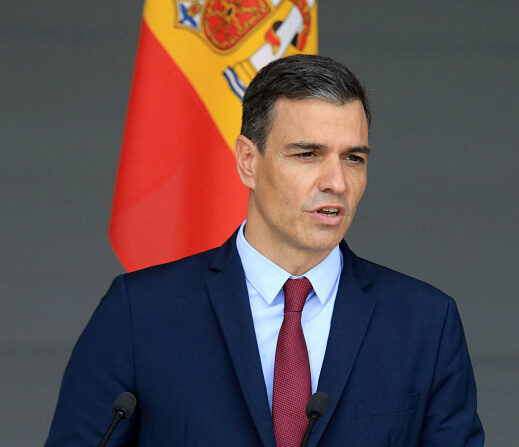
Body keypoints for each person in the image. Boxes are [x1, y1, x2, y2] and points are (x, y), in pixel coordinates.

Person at [45, 55, 484, 446]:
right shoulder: (140, 313)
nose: (337, 182)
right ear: (247, 162)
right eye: (308, 154)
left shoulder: (426, 323)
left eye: (353, 158)